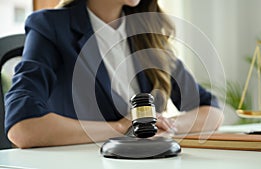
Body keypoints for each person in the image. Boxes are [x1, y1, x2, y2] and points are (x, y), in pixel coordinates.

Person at [5, 0, 224, 148]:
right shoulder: (52, 26)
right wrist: (121, 128)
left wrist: (165, 125)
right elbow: (22, 128)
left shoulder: (146, 30)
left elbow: (211, 112)